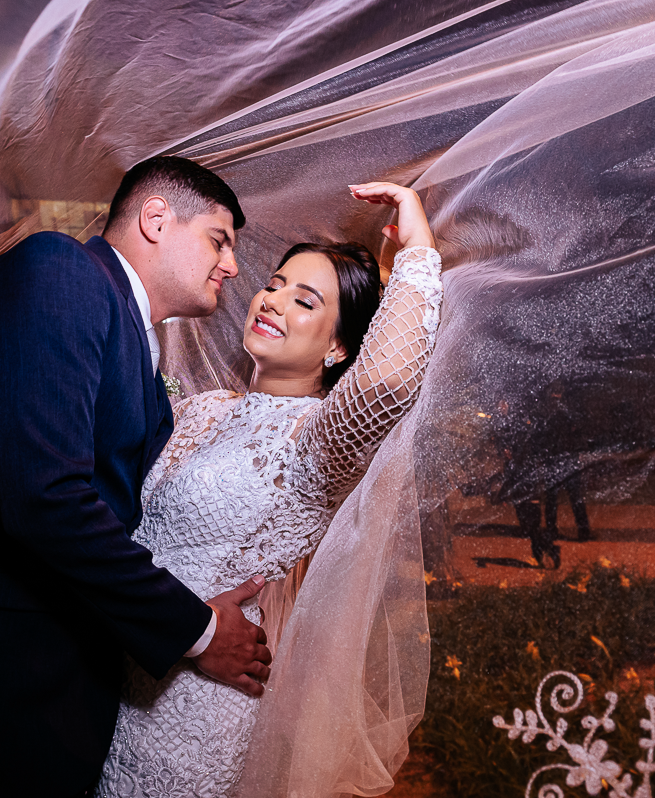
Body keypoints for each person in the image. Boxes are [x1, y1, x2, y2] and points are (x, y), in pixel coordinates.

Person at [0, 157, 273, 798]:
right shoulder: (60, 272)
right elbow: (47, 500)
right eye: (219, 239)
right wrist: (197, 632)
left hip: (37, 704)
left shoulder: (133, 345)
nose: (231, 266)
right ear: (155, 218)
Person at [97, 181, 443, 797]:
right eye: (275, 284)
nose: (273, 301)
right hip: (114, 673)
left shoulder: (319, 441)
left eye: (305, 301)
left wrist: (416, 244)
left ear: (339, 347)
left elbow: (388, 382)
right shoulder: (202, 408)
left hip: (196, 703)